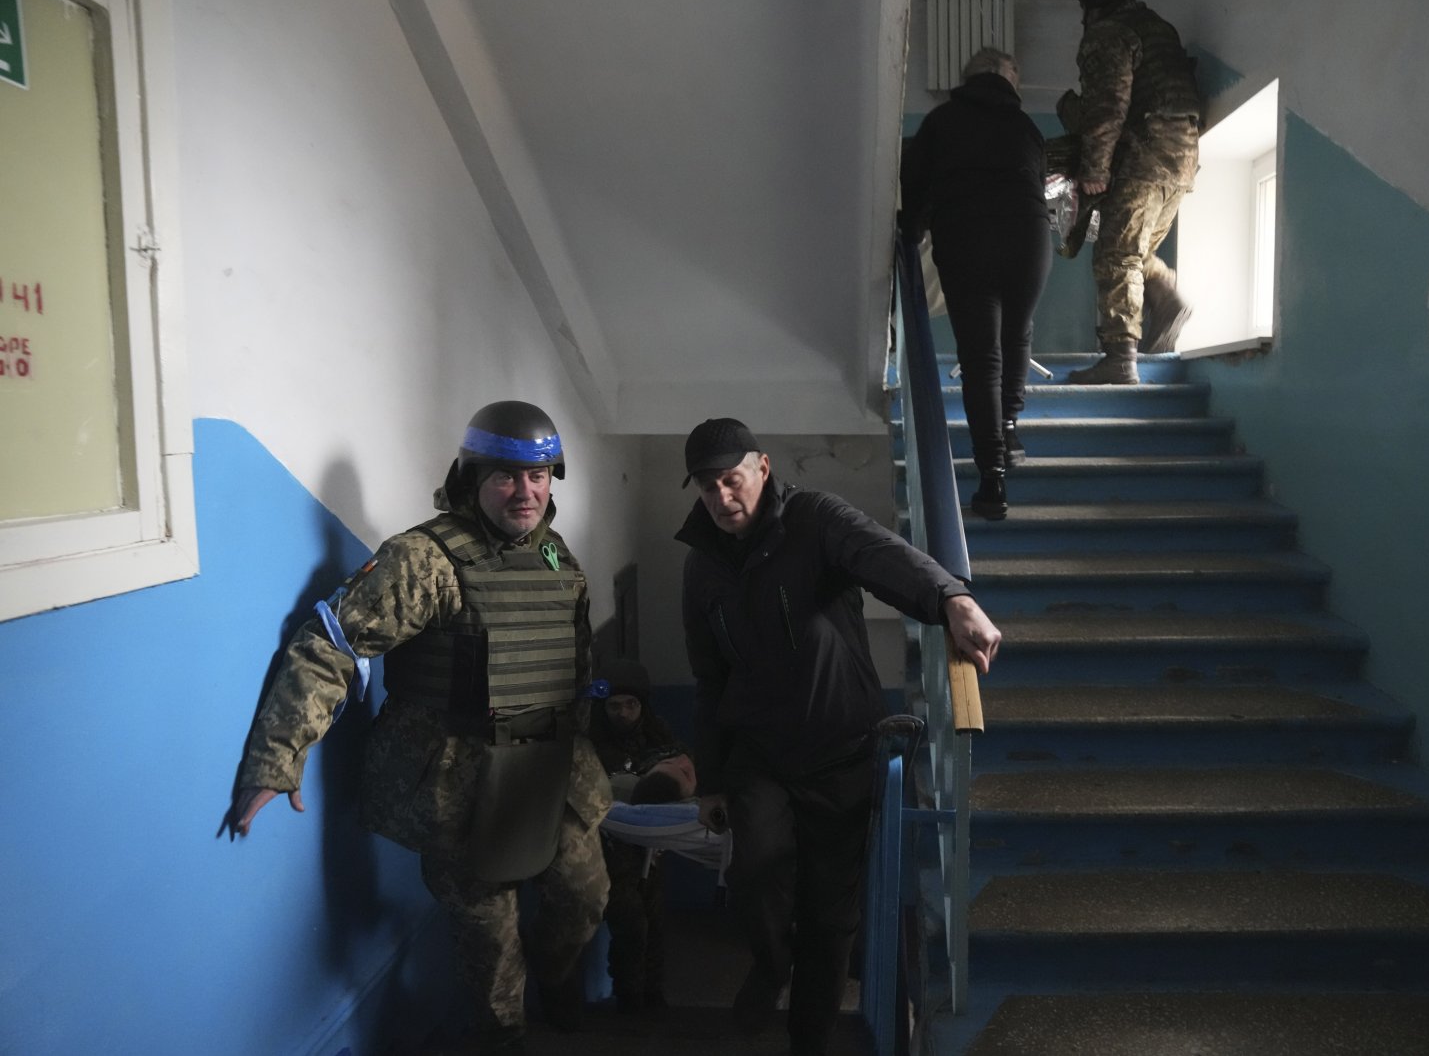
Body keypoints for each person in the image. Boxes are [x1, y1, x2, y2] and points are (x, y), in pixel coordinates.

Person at [221, 400, 610, 1053]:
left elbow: (569, 661)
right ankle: (504, 1036)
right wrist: (276, 758)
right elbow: (328, 646)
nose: (527, 491)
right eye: (507, 477)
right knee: (492, 946)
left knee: (585, 897)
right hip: (463, 784)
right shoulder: (423, 560)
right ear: (472, 477)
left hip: (552, 772)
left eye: (540, 476)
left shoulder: (553, 554)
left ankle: (559, 976)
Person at [675, 418, 1003, 1056]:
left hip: (840, 747)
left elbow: (883, 556)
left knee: (832, 911)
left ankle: (810, 1039)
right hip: (759, 753)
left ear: (762, 468)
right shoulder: (700, 569)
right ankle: (772, 964)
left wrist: (951, 600)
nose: (721, 498)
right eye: (707, 488)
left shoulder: (814, 521)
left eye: (730, 480)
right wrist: (711, 778)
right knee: (755, 870)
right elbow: (707, 677)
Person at [900, 47, 1052, 520]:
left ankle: (993, 481)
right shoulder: (1026, 127)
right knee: (1018, 334)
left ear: (965, 80)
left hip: (966, 237)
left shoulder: (941, 121)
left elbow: (914, 186)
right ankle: (1009, 428)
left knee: (981, 356)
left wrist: (912, 232)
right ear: (1011, 83)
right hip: (1029, 234)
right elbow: (1038, 181)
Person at [1065, 0, 1202, 385]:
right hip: (1182, 154)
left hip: (1144, 151)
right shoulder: (1157, 26)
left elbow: (1107, 106)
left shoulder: (1110, 33)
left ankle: (1120, 359)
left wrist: (1094, 167)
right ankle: (1168, 298)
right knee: (1135, 251)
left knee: (1116, 253)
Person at [586, 655, 687, 1012]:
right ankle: (629, 996)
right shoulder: (590, 744)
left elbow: (679, 782)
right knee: (630, 923)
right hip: (608, 851)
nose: (623, 712)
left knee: (655, 921)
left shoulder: (658, 737)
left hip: (651, 849)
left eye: (631, 705)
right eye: (614, 706)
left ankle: (652, 994)